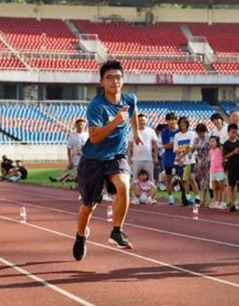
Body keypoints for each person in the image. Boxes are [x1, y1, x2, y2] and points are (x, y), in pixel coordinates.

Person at [73, 60, 142, 261]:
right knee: (88, 207)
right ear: (102, 81)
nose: (115, 81)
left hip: (116, 156)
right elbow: (94, 137)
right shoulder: (97, 106)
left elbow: (133, 109)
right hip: (93, 159)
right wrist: (116, 122)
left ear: (123, 79)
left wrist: (136, 131)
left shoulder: (130, 99)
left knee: (123, 186)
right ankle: (80, 237)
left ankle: (116, 230)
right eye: (110, 78)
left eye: (118, 77)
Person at [49, 119, 89, 187]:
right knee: (77, 177)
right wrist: (70, 161)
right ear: (76, 126)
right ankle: (65, 181)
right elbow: (69, 149)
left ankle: (63, 180)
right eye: (79, 124)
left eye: (82, 124)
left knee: (85, 176)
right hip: (76, 160)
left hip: (85, 159)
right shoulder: (72, 136)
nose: (81, 126)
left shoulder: (87, 135)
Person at [174, 117, 199, 205]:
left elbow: (190, 147)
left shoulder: (192, 134)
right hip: (180, 161)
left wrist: (181, 157)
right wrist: (179, 158)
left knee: (191, 179)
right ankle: (188, 196)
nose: (182, 124)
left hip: (189, 160)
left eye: (184, 123)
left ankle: (197, 197)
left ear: (187, 124)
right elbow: (176, 148)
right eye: (181, 123)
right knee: (183, 180)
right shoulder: (177, 135)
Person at [127, 114, 159, 182]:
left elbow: (156, 145)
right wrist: (129, 157)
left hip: (148, 159)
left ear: (146, 121)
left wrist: (155, 157)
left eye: (143, 120)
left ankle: (150, 192)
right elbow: (129, 146)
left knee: (150, 179)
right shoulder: (133, 132)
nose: (142, 122)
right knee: (135, 179)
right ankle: (135, 193)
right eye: (140, 120)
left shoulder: (151, 131)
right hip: (136, 159)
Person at [223, 123, 239, 212]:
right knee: (231, 185)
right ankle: (232, 203)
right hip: (231, 166)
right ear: (228, 132)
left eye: (236, 133)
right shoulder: (226, 144)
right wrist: (233, 152)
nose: (234, 134)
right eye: (232, 132)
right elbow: (224, 156)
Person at [161, 112, 180, 205]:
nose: (171, 122)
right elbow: (165, 146)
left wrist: (173, 145)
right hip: (168, 157)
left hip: (179, 157)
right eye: (169, 120)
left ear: (176, 120)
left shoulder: (180, 131)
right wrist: (175, 144)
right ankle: (170, 197)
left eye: (173, 120)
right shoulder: (165, 132)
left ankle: (186, 195)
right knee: (168, 178)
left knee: (182, 178)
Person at [192, 123, 211, 207]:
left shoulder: (208, 139)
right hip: (200, 161)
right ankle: (203, 199)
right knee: (202, 181)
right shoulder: (196, 139)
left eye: (201, 132)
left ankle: (212, 199)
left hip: (208, 161)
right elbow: (193, 148)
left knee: (209, 180)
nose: (200, 134)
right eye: (198, 132)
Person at [208, 136, 227, 210]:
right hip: (212, 171)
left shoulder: (220, 150)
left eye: (213, 141)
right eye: (210, 142)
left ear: (217, 143)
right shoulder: (210, 151)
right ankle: (216, 201)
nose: (211, 143)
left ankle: (223, 202)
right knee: (215, 188)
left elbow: (223, 158)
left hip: (219, 170)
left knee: (222, 187)